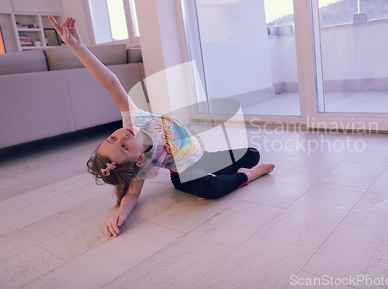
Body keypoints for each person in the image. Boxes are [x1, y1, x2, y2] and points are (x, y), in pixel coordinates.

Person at [49, 16, 275, 238]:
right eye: (124, 146)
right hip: (186, 173)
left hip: (202, 156)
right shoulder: (143, 166)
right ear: (138, 159)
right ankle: (249, 176)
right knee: (209, 189)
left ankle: (222, 174)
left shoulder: (134, 119)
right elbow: (132, 195)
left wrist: (77, 46)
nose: (121, 136)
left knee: (252, 154)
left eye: (112, 139)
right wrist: (121, 214)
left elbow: (110, 82)